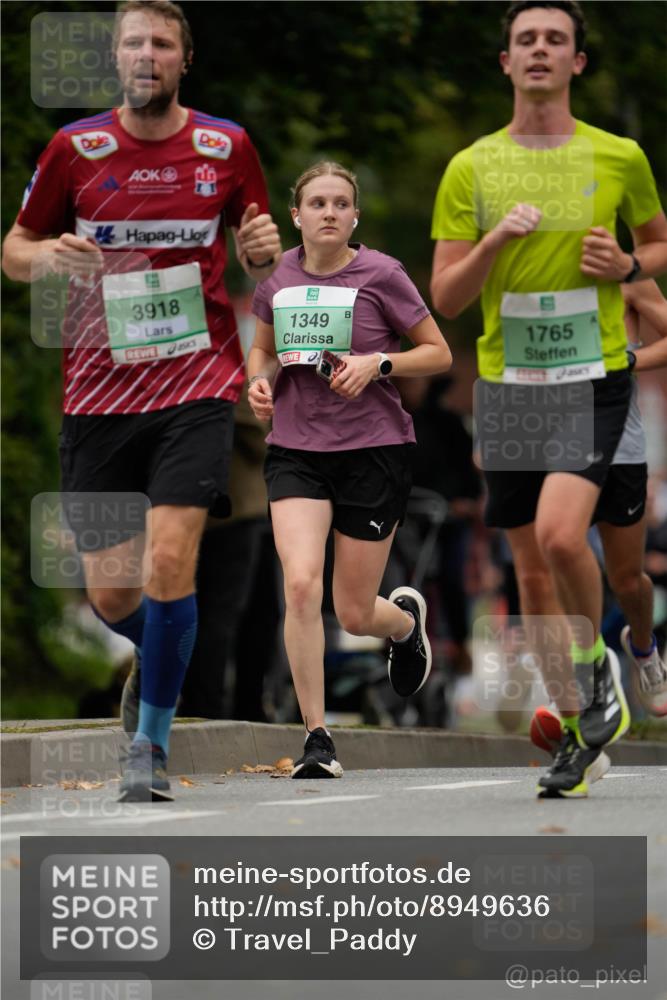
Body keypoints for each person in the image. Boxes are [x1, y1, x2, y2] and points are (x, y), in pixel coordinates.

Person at [1, 0, 282, 802]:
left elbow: (266, 261)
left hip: (196, 387)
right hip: (97, 394)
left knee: (169, 560)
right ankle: (157, 655)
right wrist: (46, 257)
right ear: (115, 59)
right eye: (133, 42)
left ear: (183, 59)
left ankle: (149, 747)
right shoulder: (75, 148)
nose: (146, 54)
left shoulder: (225, 146)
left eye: (161, 42)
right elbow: (13, 250)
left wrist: (264, 253)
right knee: (115, 595)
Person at [430, 0, 667, 797]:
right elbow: (447, 296)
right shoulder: (470, 167)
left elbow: (657, 243)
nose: (539, 49)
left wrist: (627, 267)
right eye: (524, 39)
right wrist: (495, 241)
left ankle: (612, 664)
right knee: (529, 575)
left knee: (569, 540)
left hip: (592, 378)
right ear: (505, 61)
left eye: (554, 39)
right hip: (508, 390)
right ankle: (575, 735)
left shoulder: (618, 155)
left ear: (576, 62)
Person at [248, 161, 452, 778]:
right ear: (297, 215)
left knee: (355, 612)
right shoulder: (277, 278)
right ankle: (317, 738)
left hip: (373, 450)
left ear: (355, 216)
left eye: (341, 203)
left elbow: (438, 353)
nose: (330, 212)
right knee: (301, 585)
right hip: (297, 450)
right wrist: (259, 382)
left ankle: (404, 625)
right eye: (318, 203)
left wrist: (378, 364)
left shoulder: (383, 273)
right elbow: (262, 348)